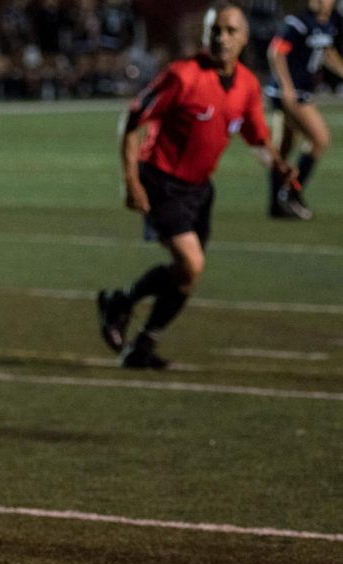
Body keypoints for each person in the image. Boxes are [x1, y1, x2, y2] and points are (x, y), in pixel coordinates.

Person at [97, 1, 294, 369]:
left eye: (230, 31)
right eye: (215, 30)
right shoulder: (182, 76)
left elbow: (256, 138)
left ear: (245, 37)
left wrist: (279, 165)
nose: (222, 38)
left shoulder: (247, 85)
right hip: (161, 180)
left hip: (200, 190)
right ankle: (124, 309)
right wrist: (130, 181)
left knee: (185, 277)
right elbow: (132, 119)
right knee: (191, 264)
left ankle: (131, 324)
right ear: (204, 35)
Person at [264, 0, 343, 220]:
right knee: (320, 139)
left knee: (283, 149)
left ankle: (276, 204)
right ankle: (291, 193)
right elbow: (277, 52)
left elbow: (327, 53)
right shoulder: (298, 22)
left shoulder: (328, 24)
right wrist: (287, 86)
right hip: (290, 93)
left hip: (301, 91)